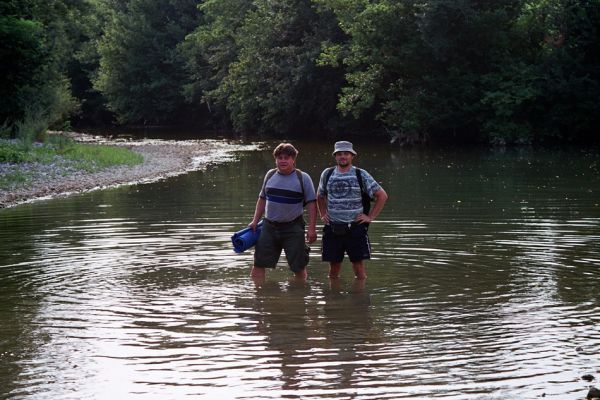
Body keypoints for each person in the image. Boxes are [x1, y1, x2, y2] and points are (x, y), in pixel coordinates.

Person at [317, 141, 388, 280]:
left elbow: (382, 195)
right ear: (335, 156)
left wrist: (370, 217)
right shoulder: (327, 173)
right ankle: (333, 298)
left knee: (359, 269)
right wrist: (323, 214)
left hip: (355, 228)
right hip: (333, 228)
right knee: (333, 271)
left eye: (346, 154)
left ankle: (360, 299)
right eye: (339, 154)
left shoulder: (361, 174)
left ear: (352, 156)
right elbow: (320, 196)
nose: (343, 156)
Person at [248, 143, 317, 280]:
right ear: (276, 160)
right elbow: (262, 199)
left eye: (287, 157)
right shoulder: (270, 175)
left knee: (299, 266)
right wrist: (255, 221)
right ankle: (258, 297)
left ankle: (299, 297)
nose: (283, 161)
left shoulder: (303, 178)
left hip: (293, 227)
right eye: (280, 158)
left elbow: (312, 204)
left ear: (293, 159)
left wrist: (312, 228)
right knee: (258, 263)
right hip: (269, 226)